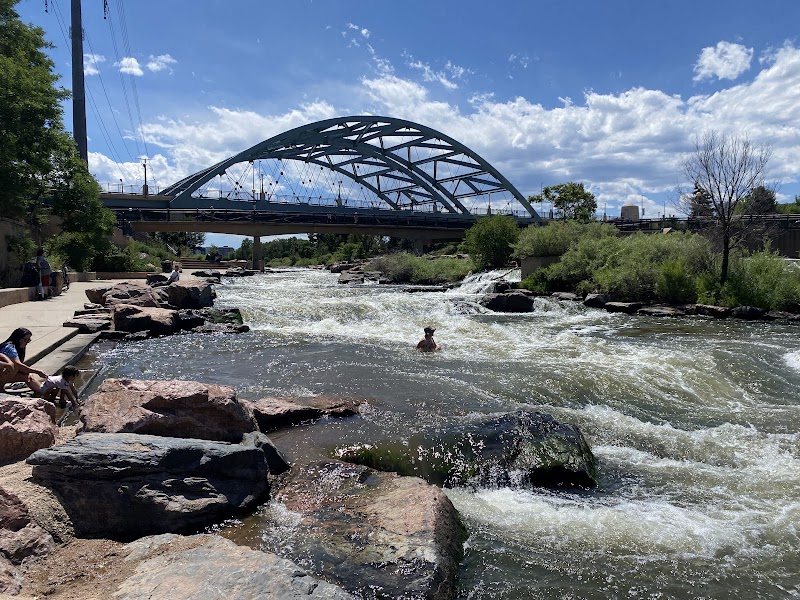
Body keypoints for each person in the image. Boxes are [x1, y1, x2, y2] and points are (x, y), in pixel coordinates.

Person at [0, 328, 45, 394]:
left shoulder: (19, 348)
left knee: (28, 377)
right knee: (16, 367)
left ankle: (45, 392)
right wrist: (36, 371)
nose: (27, 342)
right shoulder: (9, 347)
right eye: (25, 339)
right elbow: (18, 365)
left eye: (29, 340)